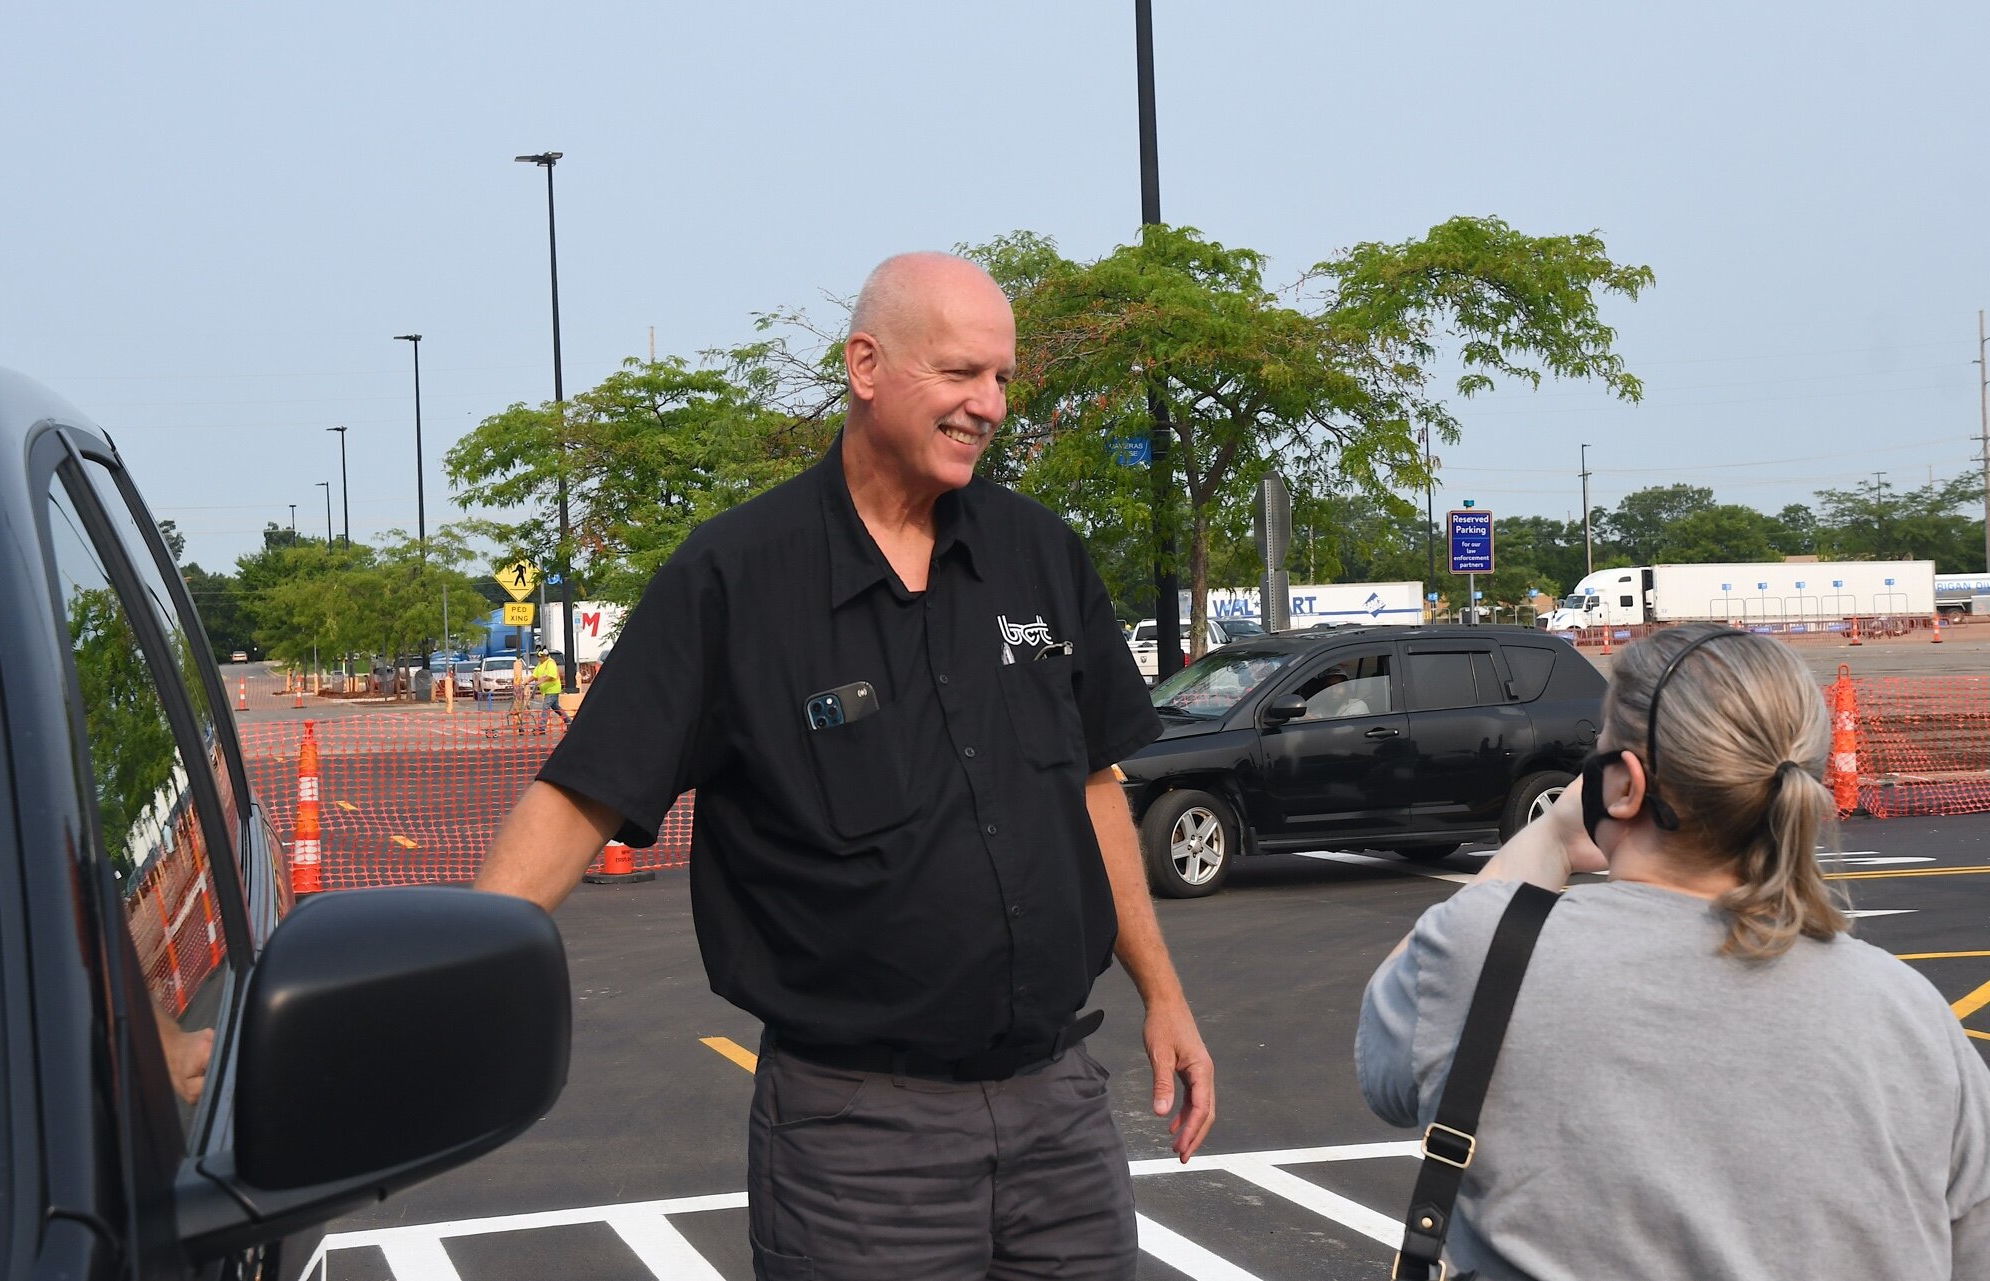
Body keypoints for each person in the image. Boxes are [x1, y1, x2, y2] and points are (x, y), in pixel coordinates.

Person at [474, 252, 1214, 1280]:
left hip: (1060, 1114)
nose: (988, 405)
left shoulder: (1040, 556)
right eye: (961, 373)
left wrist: (1164, 999)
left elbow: (1088, 785)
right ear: (865, 365)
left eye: (1002, 379)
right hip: (857, 1143)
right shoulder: (733, 577)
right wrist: (457, 981)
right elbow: (581, 795)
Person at [1356, 623, 1990, 1279]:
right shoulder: (1914, 1018)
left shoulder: (1485, 949)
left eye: (1599, 748)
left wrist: (1545, 842)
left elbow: (1381, 1054)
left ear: (1625, 784)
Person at [532, 649, 569, 726]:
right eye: (539, 657)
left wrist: (541, 681)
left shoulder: (550, 663)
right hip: (547, 690)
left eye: (541, 657)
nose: (540, 658)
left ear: (546, 656)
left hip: (553, 689)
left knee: (546, 707)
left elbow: (552, 676)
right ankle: (569, 722)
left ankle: (541, 727)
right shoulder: (540, 664)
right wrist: (526, 681)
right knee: (556, 708)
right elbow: (534, 675)